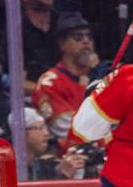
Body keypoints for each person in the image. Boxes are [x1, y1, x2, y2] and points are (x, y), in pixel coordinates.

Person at [33, 12, 100, 143]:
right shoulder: (50, 83)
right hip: (71, 157)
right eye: (78, 37)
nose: (86, 41)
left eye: (89, 37)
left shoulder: (99, 77)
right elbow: (70, 131)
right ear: (62, 44)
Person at [18, 0, 57, 93]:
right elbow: (17, 82)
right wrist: (47, 91)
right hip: (33, 100)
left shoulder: (63, 23)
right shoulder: (17, 32)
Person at [23, 106, 85, 181]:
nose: (46, 133)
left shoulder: (42, 165)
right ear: (21, 132)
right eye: (39, 128)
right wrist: (63, 174)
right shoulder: (10, 169)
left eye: (45, 127)